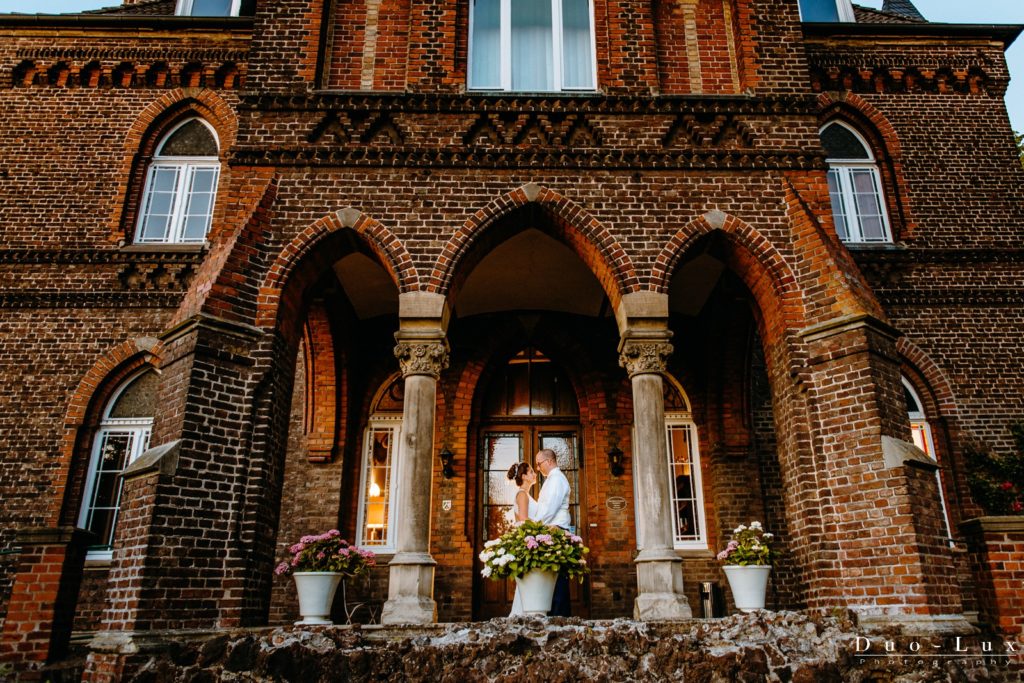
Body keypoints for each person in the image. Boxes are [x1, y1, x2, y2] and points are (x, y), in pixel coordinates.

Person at [533, 448, 572, 617]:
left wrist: (535, 526)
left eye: (539, 464)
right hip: (551, 530)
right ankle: (555, 615)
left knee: (558, 577)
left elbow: (550, 508)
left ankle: (560, 617)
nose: (537, 468)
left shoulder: (557, 479)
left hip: (556, 530)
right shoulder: (552, 479)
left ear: (549, 461)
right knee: (552, 576)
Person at [506, 461, 538, 616]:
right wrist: (543, 526)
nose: (535, 474)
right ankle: (524, 615)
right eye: (531, 471)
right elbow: (524, 520)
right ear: (524, 476)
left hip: (530, 540)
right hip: (528, 541)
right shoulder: (522, 495)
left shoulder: (525, 495)